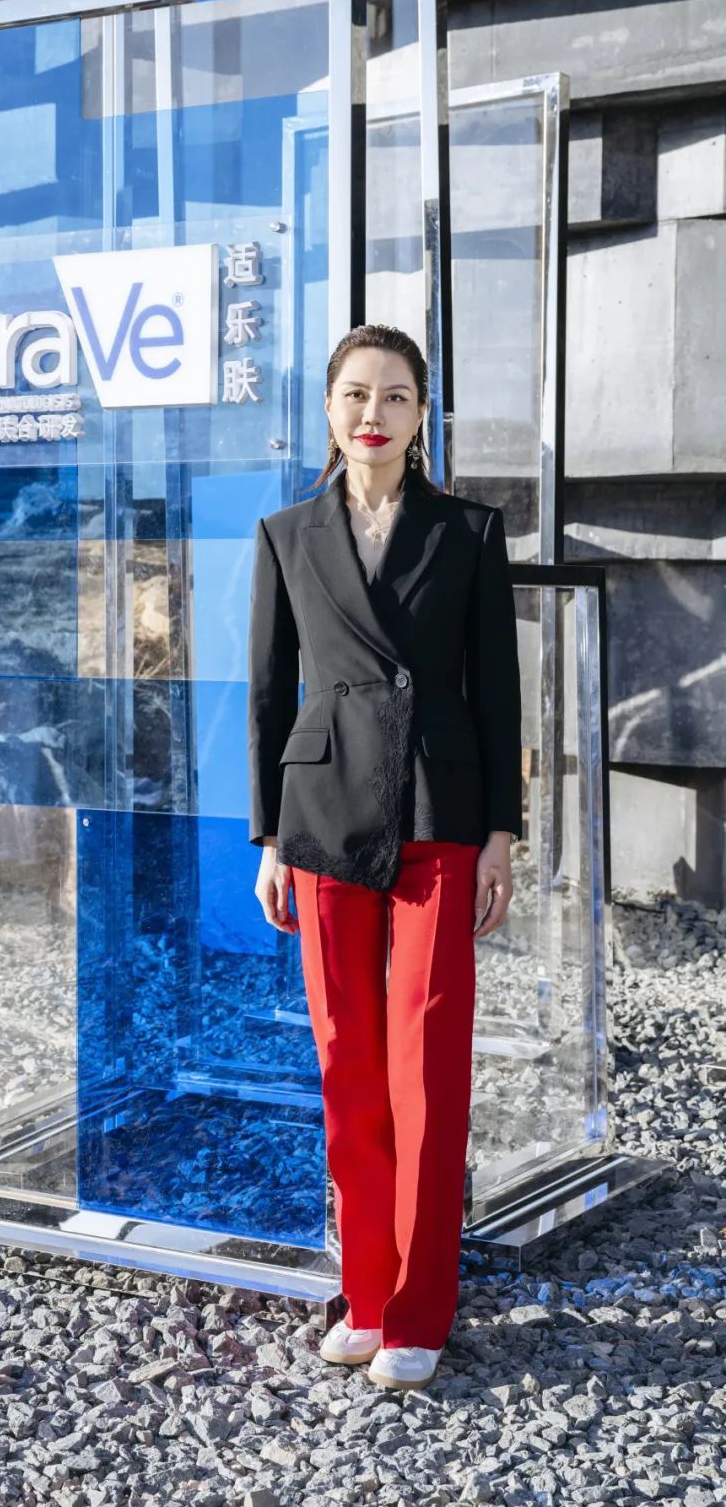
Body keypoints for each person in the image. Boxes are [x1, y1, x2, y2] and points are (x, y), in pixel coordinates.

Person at [246, 323, 522, 1391]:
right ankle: (365, 1294)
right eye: (356, 393)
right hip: (322, 812)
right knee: (346, 1061)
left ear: (420, 415)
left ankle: (418, 1306)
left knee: (427, 1060)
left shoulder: (469, 531)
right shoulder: (286, 534)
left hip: (439, 809)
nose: (375, 412)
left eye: (396, 395)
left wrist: (500, 832)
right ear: (329, 409)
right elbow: (268, 695)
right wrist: (269, 838)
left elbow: (497, 691)